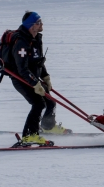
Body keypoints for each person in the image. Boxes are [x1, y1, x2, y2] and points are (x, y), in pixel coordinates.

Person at [10, 11, 68, 145]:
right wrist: (36, 84)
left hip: (33, 77)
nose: (42, 24)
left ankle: (48, 127)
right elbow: (22, 69)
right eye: (38, 22)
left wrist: (45, 77)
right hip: (21, 79)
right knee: (38, 104)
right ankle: (29, 135)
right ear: (31, 26)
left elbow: (38, 62)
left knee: (50, 100)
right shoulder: (21, 43)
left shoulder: (35, 39)